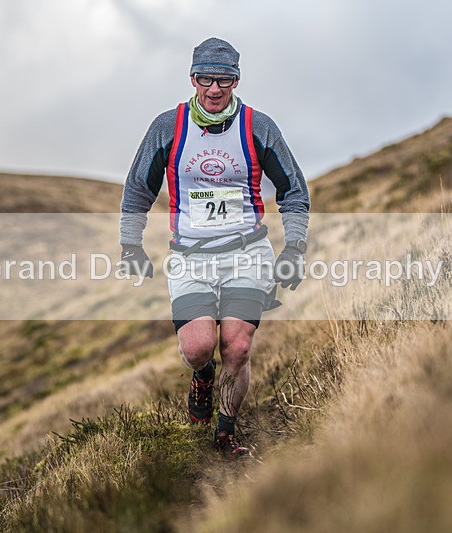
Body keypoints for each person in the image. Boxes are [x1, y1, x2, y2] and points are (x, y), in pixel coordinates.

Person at [119, 37, 310, 460]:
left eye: (223, 79)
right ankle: (203, 375)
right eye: (205, 78)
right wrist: (130, 245)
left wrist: (294, 247)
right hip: (190, 255)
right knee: (198, 347)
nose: (214, 88)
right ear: (192, 79)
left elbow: (294, 191)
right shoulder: (168, 128)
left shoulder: (259, 128)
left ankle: (225, 434)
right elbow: (137, 191)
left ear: (236, 81)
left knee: (238, 347)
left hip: (247, 251)